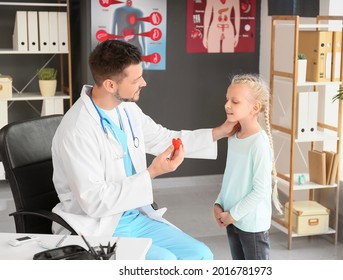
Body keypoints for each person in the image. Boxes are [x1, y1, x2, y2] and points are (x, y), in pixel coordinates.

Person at [51, 40, 238, 260]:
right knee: (165, 262)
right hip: (99, 226)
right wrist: (152, 173)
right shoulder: (77, 130)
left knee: (201, 255)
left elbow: (164, 138)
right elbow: (95, 202)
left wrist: (219, 132)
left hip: (135, 216)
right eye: (137, 79)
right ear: (111, 85)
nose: (144, 83)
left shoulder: (127, 109)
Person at [213, 74, 282, 260]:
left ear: (255, 108)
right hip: (233, 220)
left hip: (251, 226)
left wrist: (232, 215)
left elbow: (261, 190)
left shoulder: (258, 143)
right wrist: (219, 203)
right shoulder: (235, 137)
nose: (227, 105)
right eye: (227, 99)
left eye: (235, 101)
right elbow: (231, 178)